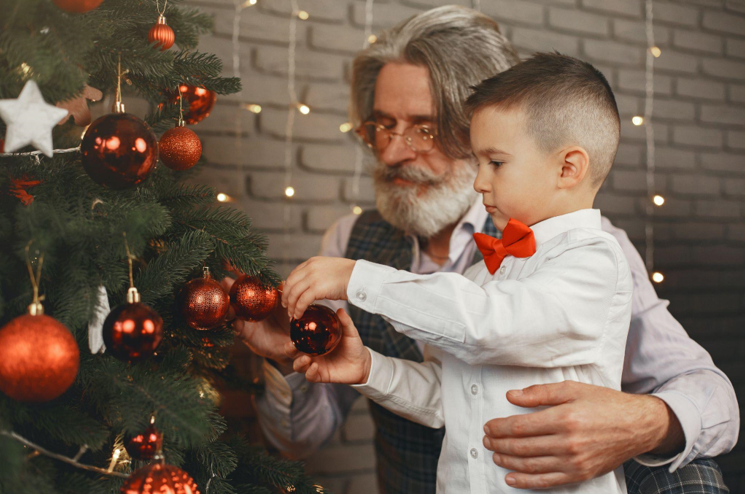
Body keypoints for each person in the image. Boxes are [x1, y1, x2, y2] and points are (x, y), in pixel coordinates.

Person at [226, 6, 738, 494]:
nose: (392, 151)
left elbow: (713, 397)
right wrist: (305, 357)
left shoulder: (594, 253)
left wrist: (646, 423)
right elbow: (308, 437)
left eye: (424, 128)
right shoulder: (353, 240)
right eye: (382, 125)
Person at [281, 52, 635, 494]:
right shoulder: (485, 273)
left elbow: (489, 324)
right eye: (478, 162)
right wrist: (368, 368)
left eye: (496, 163)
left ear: (567, 168)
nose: (479, 182)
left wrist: (360, 279)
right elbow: (446, 394)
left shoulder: (594, 260)